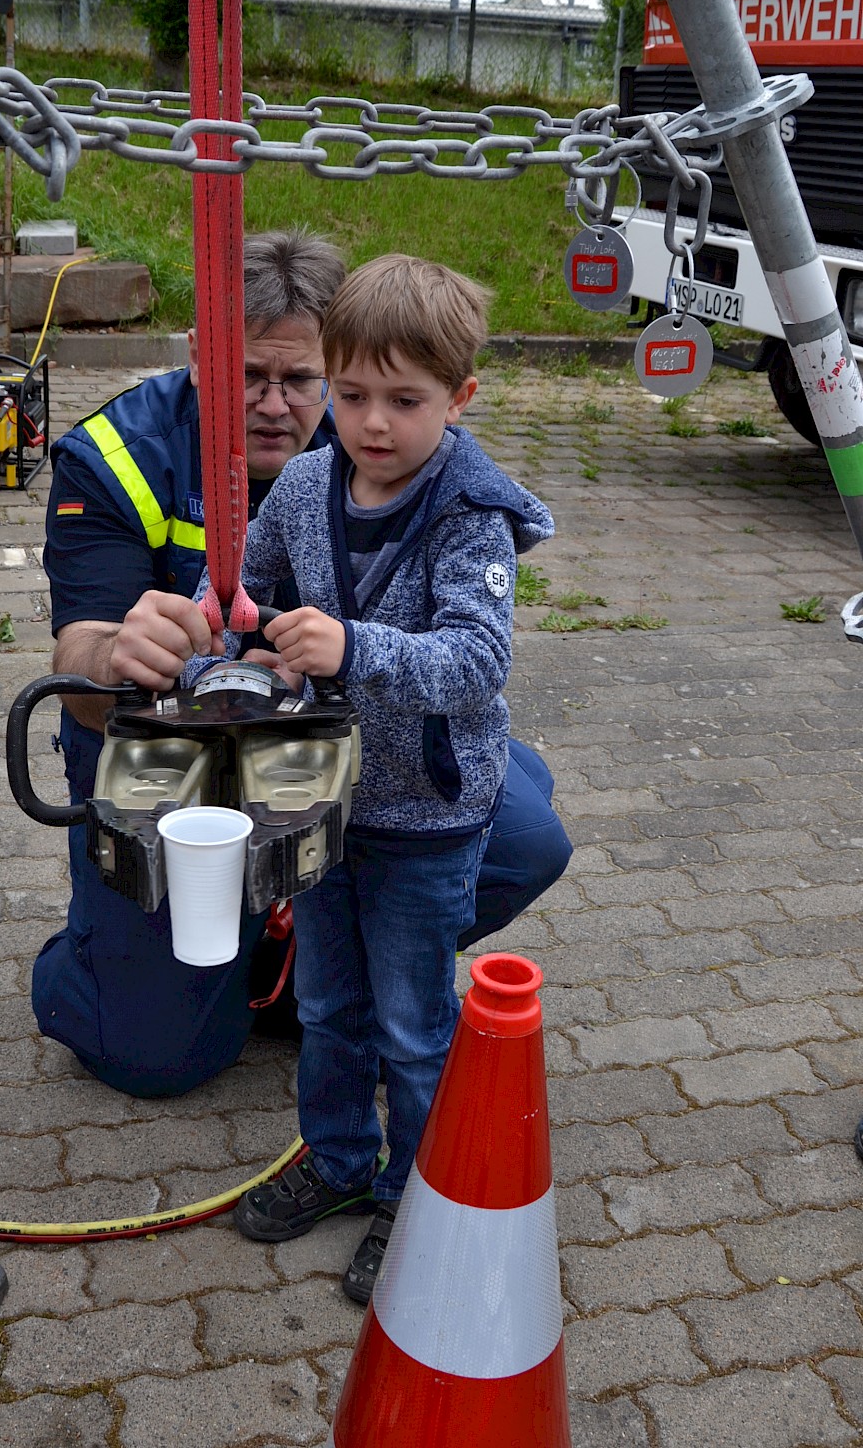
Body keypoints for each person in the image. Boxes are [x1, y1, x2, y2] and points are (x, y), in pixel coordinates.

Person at [34, 229, 572, 1098]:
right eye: (248, 376)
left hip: (343, 751)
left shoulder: (387, 451)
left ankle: (305, 967)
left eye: (306, 381)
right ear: (200, 358)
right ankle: (103, 955)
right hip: (170, 769)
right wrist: (118, 654)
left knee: (521, 836)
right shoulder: (114, 459)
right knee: (153, 1055)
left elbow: (472, 649)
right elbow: (74, 663)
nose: (278, 405)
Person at [185, 254, 553, 1304]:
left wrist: (351, 648)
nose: (373, 424)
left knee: (412, 1020)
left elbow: (477, 663)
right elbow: (242, 596)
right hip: (318, 797)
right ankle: (340, 1162)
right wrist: (225, 659)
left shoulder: (469, 516)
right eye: (350, 396)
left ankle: (416, 1195)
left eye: (406, 400)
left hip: (429, 813)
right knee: (332, 1003)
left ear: (460, 398)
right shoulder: (303, 484)